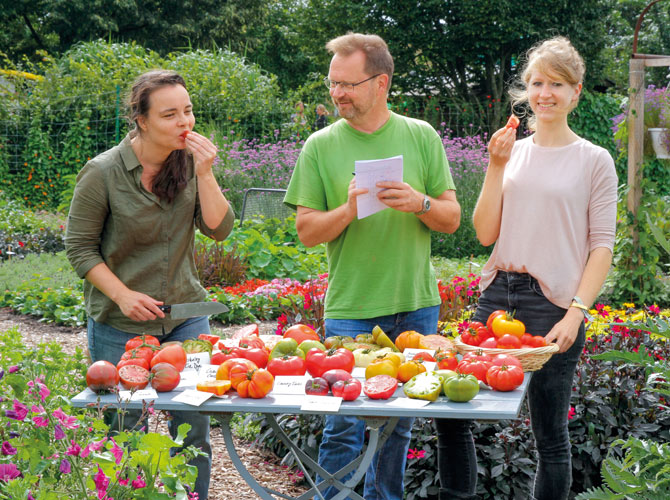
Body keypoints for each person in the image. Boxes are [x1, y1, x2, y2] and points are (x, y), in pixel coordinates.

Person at [436, 37, 618, 500]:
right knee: (451, 413)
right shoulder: (510, 152)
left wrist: (575, 314)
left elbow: (601, 247)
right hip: (497, 297)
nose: (545, 92)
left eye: (557, 83)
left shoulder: (594, 160)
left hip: (554, 305)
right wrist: (496, 165)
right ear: (526, 88)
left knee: (550, 438)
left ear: (576, 92)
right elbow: (482, 232)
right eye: (538, 82)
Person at [284, 33, 461, 500]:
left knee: (397, 429)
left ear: (381, 82)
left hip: (415, 307)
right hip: (352, 307)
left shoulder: (421, 135)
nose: (337, 93)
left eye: (348, 84)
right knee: (341, 428)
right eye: (332, 83)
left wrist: (418, 202)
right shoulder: (319, 147)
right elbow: (306, 232)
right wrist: (346, 210)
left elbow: (451, 220)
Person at [65, 70, 234, 500]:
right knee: (124, 435)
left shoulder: (191, 165)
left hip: (186, 319)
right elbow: (80, 249)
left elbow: (220, 230)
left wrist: (207, 173)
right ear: (141, 120)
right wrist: (122, 294)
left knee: (192, 433)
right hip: (119, 323)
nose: (186, 122)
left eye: (189, 110)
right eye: (170, 114)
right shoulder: (102, 172)